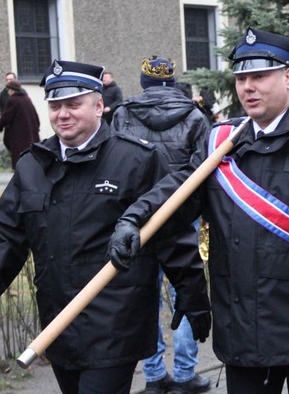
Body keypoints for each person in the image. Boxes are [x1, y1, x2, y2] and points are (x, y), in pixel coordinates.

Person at [109, 28, 289, 394]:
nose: (248, 87)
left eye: (260, 77)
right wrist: (134, 218)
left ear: (287, 77)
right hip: (243, 332)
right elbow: (176, 193)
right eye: (241, 78)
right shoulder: (220, 143)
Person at [0, 60, 211, 394]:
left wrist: (193, 296)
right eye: (55, 105)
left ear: (99, 106)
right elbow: (8, 235)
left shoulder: (135, 160)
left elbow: (172, 234)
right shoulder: (33, 165)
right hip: (59, 320)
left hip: (116, 322)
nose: (63, 114)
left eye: (73, 104)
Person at [112, 57, 211, 394]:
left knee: (144, 296)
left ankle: (154, 375)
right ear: (172, 82)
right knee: (185, 289)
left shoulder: (123, 114)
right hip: (181, 218)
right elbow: (203, 172)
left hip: (135, 219)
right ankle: (185, 373)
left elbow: (115, 165)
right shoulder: (195, 116)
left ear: (142, 83)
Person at [0, 79, 40, 168]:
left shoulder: (13, 100)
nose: (7, 92)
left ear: (12, 90)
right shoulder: (26, 99)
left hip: (18, 136)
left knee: (20, 160)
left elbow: (6, 117)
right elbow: (36, 117)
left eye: (8, 90)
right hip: (31, 135)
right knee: (30, 159)